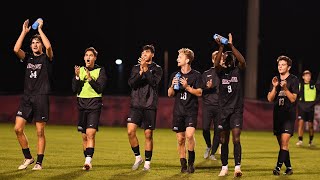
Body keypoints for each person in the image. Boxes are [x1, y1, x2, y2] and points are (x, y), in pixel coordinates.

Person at [13, 18, 53, 170]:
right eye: (33, 43)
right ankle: (28, 157)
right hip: (27, 98)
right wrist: (24, 32)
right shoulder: (28, 57)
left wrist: (40, 30)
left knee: (40, 131)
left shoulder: (46, 58)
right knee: (18, 129)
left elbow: (49, 47)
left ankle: (39, 162)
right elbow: (16, 50)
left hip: (41, 97)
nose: (35, 45)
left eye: (38, 42)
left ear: (41, 45)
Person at [213, 33, 246, 177]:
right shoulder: (220, 72)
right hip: (223, 110)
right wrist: (221, 47)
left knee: (236, 138)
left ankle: (237, 167)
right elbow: (216, 64)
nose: (225, 58)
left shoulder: (237, 71)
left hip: (236, 110)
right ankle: (224, 167)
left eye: (227, 56)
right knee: (223, 140)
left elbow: (243, 61)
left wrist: (231, 46)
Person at [127, 44, 163, 171]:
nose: (144, 54)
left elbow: (154, 82)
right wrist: (140, 72)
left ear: (152, 54)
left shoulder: (157, 68)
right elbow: (131, 83)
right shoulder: (136, 68)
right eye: (143, 52)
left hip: (149, 105)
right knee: (130, 131)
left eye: (147, 52)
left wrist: (146, 69)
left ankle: (147, 163)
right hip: (136, 104)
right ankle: (138, 157)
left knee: (148, 134)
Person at [168, 48, 202, 173]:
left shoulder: (196, 75)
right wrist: (172, 85)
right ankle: (183, 164)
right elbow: (170, 94)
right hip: (178, 111)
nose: (177, 59)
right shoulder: (175, 75)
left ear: (187, 60)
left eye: (180, 57)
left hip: (191, 111)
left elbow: (199, 92)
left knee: (189, 135)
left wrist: (187, 87)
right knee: (180, 139)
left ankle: (191, 163)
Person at [72, 47, 107, 170]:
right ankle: (86, 159)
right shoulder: (79, 70)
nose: (88, 57)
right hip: (81, 105)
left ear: (95, 58)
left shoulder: (100, 70)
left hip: (94, 105)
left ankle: (88, 161)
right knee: (84, 136)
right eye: (86, 55)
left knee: (90, 133)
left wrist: (90, 78)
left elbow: (100, 88)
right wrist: (77, 77)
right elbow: (74, 89)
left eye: (91, 55)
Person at [267, 55, 299, 176]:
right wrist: (275, 87)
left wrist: (285, 89)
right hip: (278, 116)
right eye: (279, 64)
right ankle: (289, 168)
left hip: (288, 116)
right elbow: (270, 99)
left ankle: (277, 168)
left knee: (285, 143)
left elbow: (293, 99)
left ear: (289, 67)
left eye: (283, 64)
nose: (280, 66)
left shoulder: (294, 79)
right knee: (282, 145)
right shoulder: (275, 80)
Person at [201, 51, 222, 160]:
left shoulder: (224, 73)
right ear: (213, 60)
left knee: (218, 130)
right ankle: (209, 146)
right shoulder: (206, 74)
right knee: (205, 129)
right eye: (217, 58)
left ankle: (213, 153)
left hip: (220, 107)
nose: (219, 60)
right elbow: (200, 90)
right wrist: (207, 87)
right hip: (208, 105)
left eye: (221, 58)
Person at [296, 70, 318, 147]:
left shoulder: (314, 85)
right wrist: (299, 103)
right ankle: (300, 140)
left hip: (311, 107)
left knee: (310, 125)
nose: (308, 77)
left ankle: (310, 141)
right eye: (306, 75)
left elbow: (318, 95)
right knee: (301, 123)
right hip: (302, 107)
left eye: (309, 75)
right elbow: (296, 95)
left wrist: (314, 102)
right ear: (303, 77)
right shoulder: (300, 85)